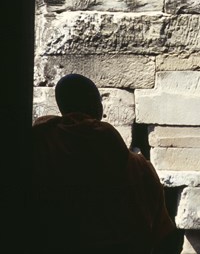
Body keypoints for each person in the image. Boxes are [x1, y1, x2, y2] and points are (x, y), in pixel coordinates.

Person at [31, 74, 176, 254]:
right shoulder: (137, 167)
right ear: (96, 106)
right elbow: (164, 235)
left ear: (62, 107)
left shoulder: (42, 140)